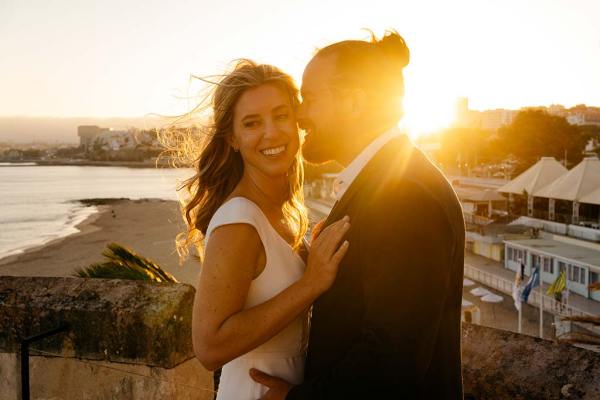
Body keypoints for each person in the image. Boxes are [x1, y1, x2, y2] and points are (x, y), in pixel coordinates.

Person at [250, 30, 465, 399]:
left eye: (310, 98)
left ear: (354, 103)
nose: (299, 114)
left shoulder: (403, 194)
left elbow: (393, 358)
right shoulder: (384, 180)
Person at [169, 60, 351, 400]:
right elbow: (208, 347)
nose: (272, 132)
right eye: (252, 123)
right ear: (233, 138)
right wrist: (311, 283)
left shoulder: (287, 210)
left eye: (281, 115)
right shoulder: (238, 221)